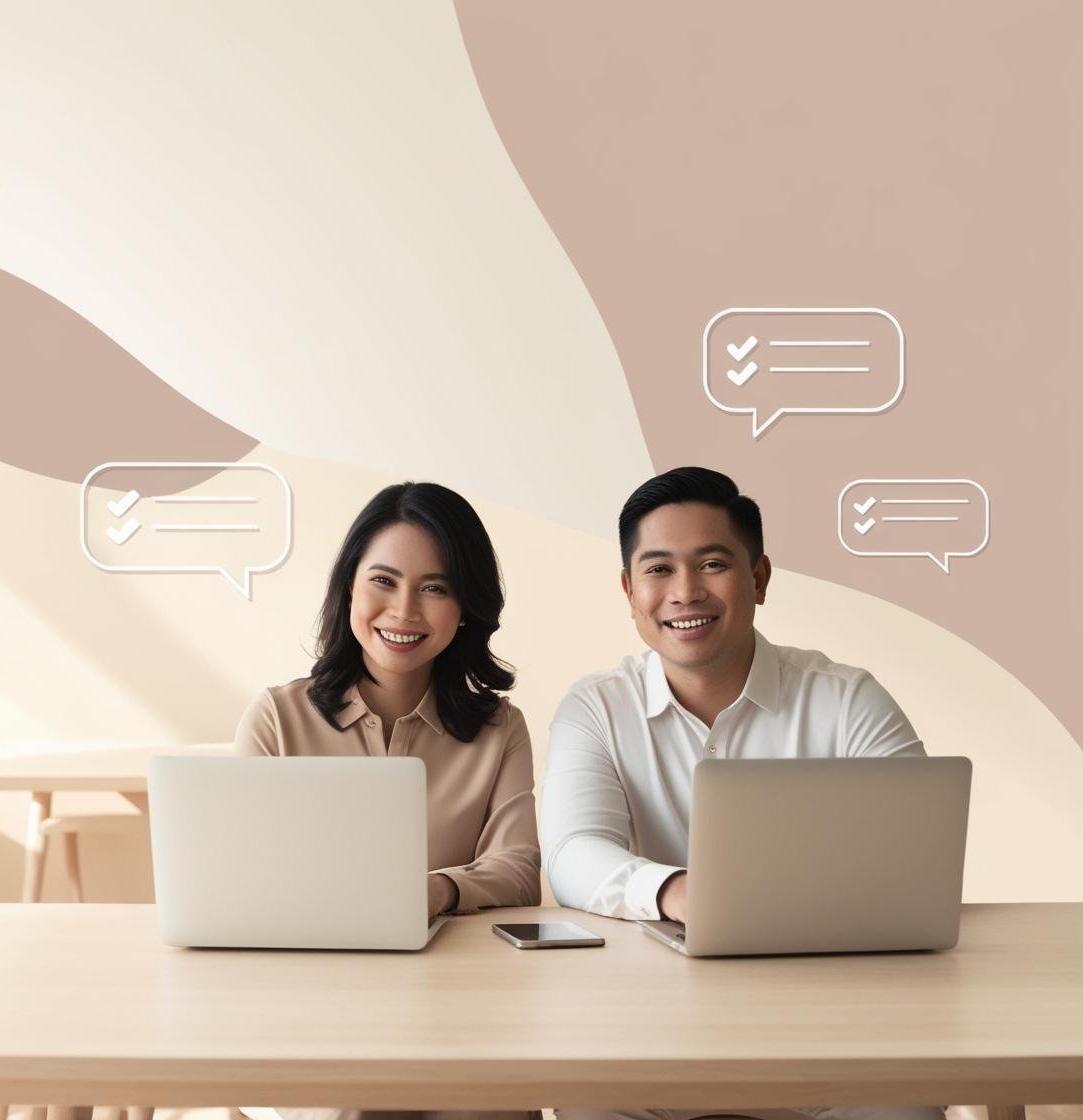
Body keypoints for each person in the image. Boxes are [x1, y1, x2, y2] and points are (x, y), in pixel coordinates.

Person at [541, 466, 942, 1120]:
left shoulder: (847, 699)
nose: (685, 592)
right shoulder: (596, 707)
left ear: (759, 577)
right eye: (659, 569)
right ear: (630, 590)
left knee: (906, 1105)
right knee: (584, 1101)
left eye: (712, 564)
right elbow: (571, 854)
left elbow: (919, 853)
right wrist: (679, 892)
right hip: (645, 1033)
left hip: (831, 1032)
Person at [237, 480, 541, 1120]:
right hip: (311, 1009)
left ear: (466, 606)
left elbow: (517, 870)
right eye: (383, 580)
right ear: (349, 587)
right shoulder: (277, 718)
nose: (404, 611)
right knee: (357, 1108)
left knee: (494, 1108)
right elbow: (243, 884)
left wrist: (439, 890)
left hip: (458, 1007)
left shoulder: (500, 729)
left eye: (436, 588)